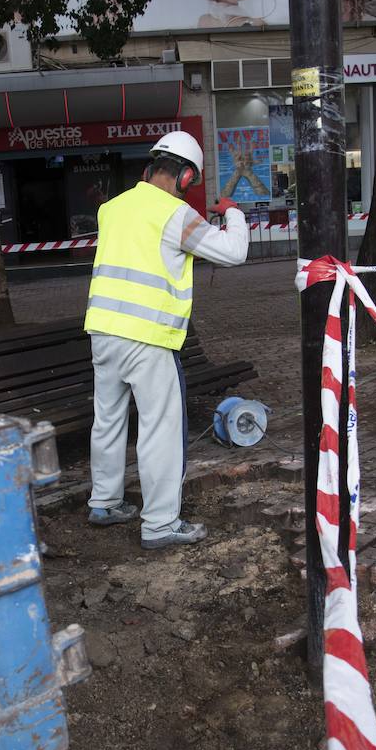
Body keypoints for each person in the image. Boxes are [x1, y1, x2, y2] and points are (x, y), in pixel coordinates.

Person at [85, 131, 250, 549]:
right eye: (190, 183)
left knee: (108, 420)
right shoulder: (174, 214)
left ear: (150, 167)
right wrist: (233, 214)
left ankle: (104, 503)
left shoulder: (112, 209)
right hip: (147, 337)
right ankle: (160, 524)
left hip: (102, 331)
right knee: (160, 429)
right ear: (186, 177)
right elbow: (234, 252)